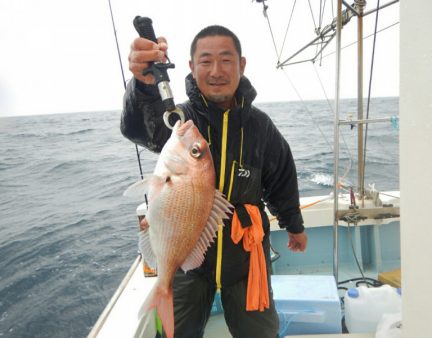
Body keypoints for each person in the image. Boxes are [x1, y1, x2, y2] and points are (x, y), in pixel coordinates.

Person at [121, 25, 308, 338]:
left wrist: (295, 225)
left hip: (247, 257)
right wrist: (142, 86)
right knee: (170, 334)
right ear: (192, 68)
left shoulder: (261, 126)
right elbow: (138, 127)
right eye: (206, 61)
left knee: (261, 333)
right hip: (186, 258)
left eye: (226, 60)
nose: (217, 71)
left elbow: (282, 180)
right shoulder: (178, 120)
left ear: (241, 65)